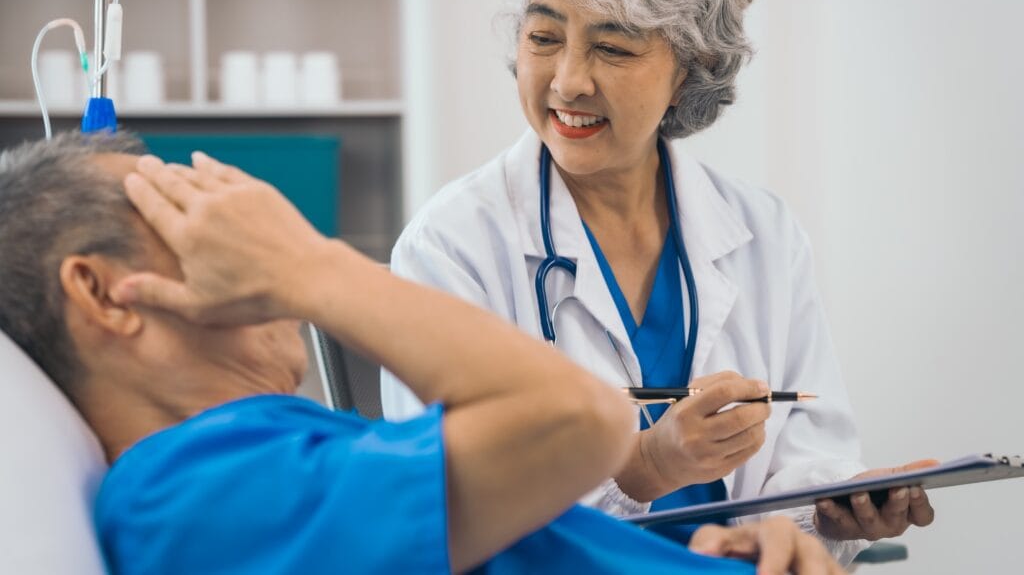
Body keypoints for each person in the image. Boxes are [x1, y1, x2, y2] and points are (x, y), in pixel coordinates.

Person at [0, 131, 847, 574]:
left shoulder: (266, 449)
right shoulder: (188, 490)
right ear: (103, 293)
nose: (245, 221)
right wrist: (307, 264)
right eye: (183, 210)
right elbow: (581, 418)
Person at [380, 0, 933, 563]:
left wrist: (833, 512)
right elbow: (447, 517)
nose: (568, 81)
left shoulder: (763, 233)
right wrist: (640, 467)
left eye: (612, 47)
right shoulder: (452, 247)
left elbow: (808, 461)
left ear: (689, 70)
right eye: (543, 38)